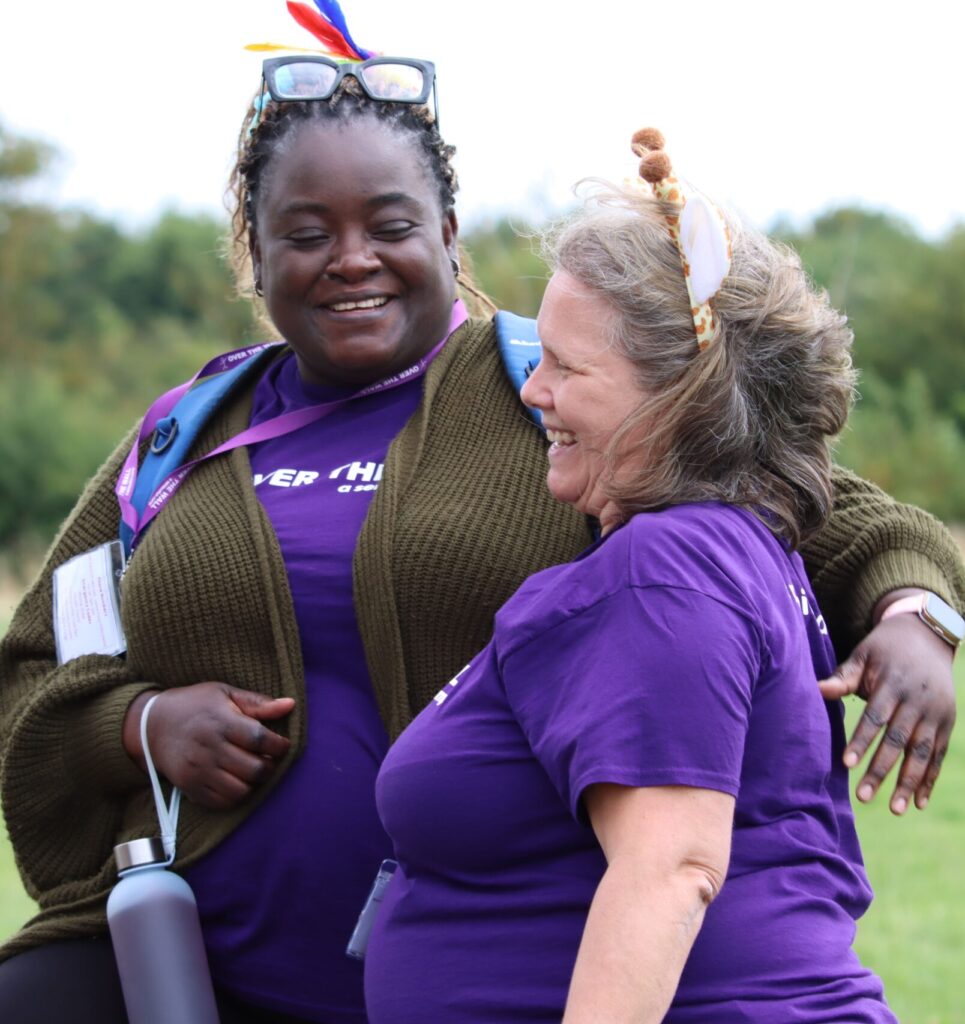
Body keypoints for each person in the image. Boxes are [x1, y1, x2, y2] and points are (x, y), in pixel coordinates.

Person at [0, 6, 962, 1019]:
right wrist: (136, 723)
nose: (350, 258)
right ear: (252, 248)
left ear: (448, 233)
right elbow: (39, 662)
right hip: (199, 974)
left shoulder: (562, 393)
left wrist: (915, 613)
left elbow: (808, 499)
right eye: (305, 233)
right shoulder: (179, 441)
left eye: (389, 223)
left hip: (517, 969)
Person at [362, 130, 938, 1023]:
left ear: (677, 397)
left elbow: (672, 869)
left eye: (565, 365)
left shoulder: (666, 572)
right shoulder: (733, 549)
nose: (531, 390)